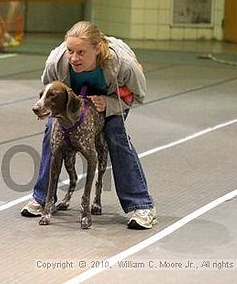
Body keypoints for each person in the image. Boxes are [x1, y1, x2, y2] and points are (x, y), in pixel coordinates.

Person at [20, 21, 157, 229]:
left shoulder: (122, 65)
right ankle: (42, 198)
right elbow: (48, 92)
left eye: (81, 52)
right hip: (71, 103)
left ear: (97, 49)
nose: (74, 58)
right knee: (51, 132)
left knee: (115, 134)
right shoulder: (56, 64)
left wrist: (108, 103)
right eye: (70, 51)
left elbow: (139, 96)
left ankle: (141, 205)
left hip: (112, 100)